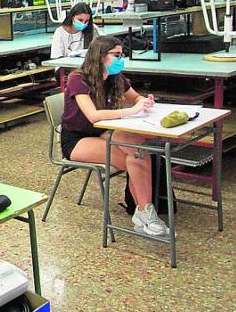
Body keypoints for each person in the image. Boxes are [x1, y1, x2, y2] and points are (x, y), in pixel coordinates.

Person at [60, 35, 169, 238]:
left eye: (122, 54)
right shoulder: (78, 79)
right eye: (116, 55)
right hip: (76, 139)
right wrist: (131, 111)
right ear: (100, 56)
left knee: (138, 150)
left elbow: (135, 97)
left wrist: (144, 102)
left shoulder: (114, 77)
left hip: (103, 130)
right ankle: (144, 214)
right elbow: (93, 116)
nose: (121, 59)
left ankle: (145, 213)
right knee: (135, 159)